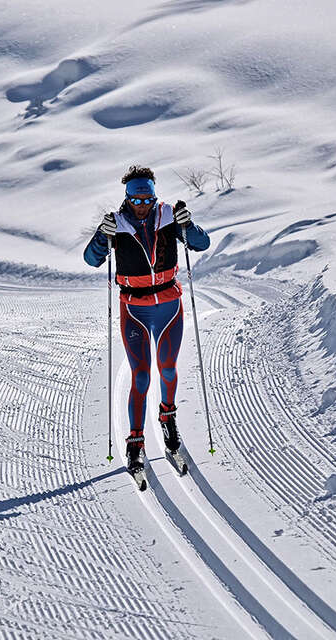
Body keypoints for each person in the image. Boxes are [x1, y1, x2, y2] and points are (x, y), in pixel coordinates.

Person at [83, 165, 210, 473]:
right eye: (136, 199)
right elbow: (91, 259)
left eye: (146, 199)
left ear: (154, 196)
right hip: (134, 310)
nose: (141, 205)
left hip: (168, 306)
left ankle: (168, 420)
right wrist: (102, 235)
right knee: (141, 376)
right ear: (127, 198)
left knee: (167, 369)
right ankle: (135, 443)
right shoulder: (117, 224)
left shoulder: (169, 216)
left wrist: (189, 225)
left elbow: (201, 244)